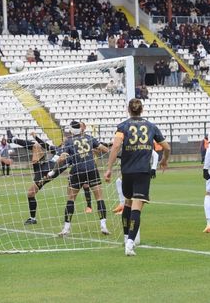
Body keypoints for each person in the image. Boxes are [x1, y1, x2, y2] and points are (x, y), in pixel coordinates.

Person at [104, 99, 171, 256]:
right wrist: (164, 160)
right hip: (142, 172)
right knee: (136, 206)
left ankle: (127, 236)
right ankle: (130, 243)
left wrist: (108, 168)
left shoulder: (122, 126)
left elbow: (115, 146)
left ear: (128, 110)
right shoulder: (151, 126)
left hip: (126, 171)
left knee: (127, 203)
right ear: (142, 110)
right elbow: (166, 147)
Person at [56, 121, 110, 236]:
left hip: (77, 171)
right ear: (80, 129)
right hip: (91, 169)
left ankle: (66, 228)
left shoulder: (69, 141)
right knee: (99, 198)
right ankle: (103, 226)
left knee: (71, 199)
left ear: (71, 130)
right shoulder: (90, 138)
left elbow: (63, 157)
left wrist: (58, 161)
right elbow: (104, 149)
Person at [8, 130, 71, 224]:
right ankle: (12, 139)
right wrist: (35, 137)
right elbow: (45, 145)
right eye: (65, 138)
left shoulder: (70, 153)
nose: (64, 140)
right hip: (43, 166)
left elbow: (65, 165)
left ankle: (32, 219)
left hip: (46, 173)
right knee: (36, 145)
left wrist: (54, 173)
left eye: (67, 138)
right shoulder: (58, 149)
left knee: (30, 193)